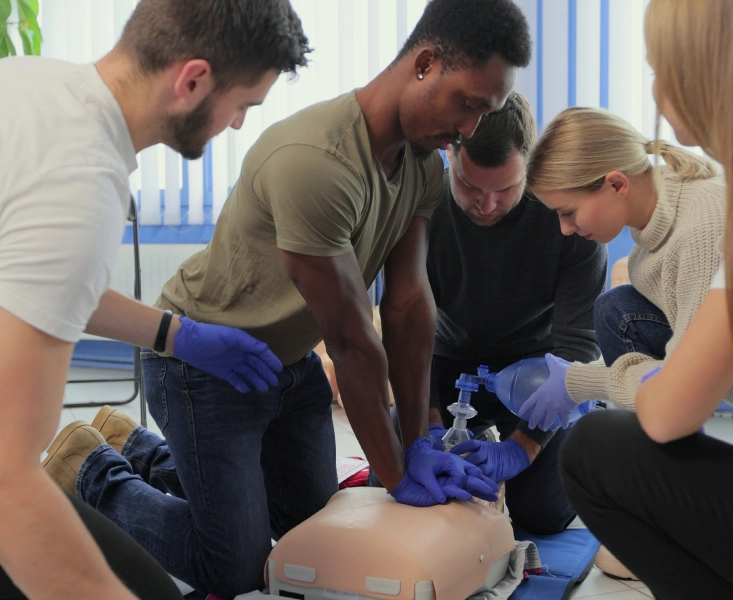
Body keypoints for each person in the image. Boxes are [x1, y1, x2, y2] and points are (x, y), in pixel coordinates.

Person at [45, 1, 533, 597]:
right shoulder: (318, 163)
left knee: (309, 531)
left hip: (289, 366)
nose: (469, 130)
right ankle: (91, 468)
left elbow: (407, 306)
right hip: (204, 367)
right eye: (469, 105)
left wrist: (418, 439)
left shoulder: (421, 166)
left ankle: (135, 446)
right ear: (426, 63)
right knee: (236, 564)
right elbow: (354, 341)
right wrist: (395, 471)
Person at [0, 1, 310, 599]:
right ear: (192, 80)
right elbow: (8, 477)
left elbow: (44, 283)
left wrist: (175, 335)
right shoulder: (79, 177)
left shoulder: (35, 85)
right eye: (243, 104)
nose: (240, 124)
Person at [557, 1, 733, 597]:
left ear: (703, 72)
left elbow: (668, 412)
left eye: (659, 68)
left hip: (717, 399)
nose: (659, 94)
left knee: (593, 450)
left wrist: (582, 382)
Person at [525, 106, 733, 579]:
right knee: (617, 310)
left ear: (616, 183)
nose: (565, 228)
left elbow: (681, 388)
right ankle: (673, 499)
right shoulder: (653, 223)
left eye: (568, 212)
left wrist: (581, 381)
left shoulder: (700, 229)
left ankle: (680, 516)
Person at [424, 92, 607, 535]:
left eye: (505, 189)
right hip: (446, 360)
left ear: (529, 163)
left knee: (541, 515)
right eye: (470, 186)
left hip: (538, 374)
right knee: (412, 488)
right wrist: (425, 426)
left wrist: (522, 449)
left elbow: (577, 342)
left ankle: (591, 424)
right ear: (451, 153)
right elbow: (404, 323)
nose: (486, 205)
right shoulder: (423, 205)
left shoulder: (568, 216)